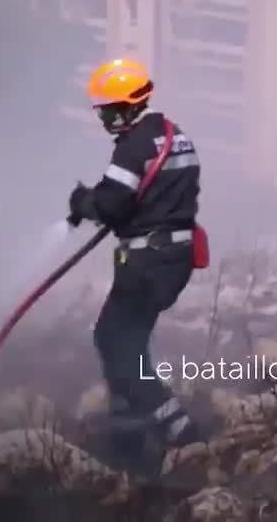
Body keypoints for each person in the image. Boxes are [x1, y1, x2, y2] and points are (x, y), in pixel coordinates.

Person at [67, 58, 205, 477]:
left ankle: (180, 431)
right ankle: (129, 431)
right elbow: (155, 201)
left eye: (108, 109)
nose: (104, 117)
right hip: (171, 259)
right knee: (127, 342)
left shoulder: (133, 146)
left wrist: (81, 202)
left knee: (114, 343)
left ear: (127, 106)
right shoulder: (173, 135)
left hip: (147, 262)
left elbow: (111, 203)